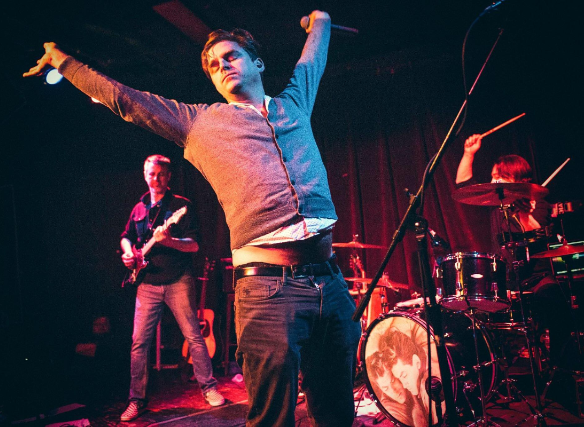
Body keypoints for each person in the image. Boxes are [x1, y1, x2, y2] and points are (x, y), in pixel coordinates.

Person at [24, 10, 361, 426]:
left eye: (231, 56)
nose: (223, 66)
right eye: (215, 66)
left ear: (257, 63)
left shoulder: (294, 104)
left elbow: (312, 60)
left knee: (337, 413)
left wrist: (321, 21)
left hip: (329, 280)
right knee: (273, 419)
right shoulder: (200, 122)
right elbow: (126, 100)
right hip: (269, 290)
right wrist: (64, 62)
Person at [118, 155, 224, 422]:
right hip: (147, 283)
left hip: (178, 280)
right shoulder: (139, 208)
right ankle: (136, 399)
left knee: (194, 336)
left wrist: (169, 241)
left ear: (169, 176)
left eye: (162, 174)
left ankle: (209, 388)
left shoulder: (181, 207)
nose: (156, 179)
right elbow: (126, 237)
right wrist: (129, 253)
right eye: (152, 174)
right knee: (139, 343)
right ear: (145, 175)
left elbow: (194, 245)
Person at [456, 134, 572, 369]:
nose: (493, 181)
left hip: (537, 278)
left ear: (518, 180)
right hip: (505, 280)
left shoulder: (538, 202)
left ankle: (560, 369)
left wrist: (524, 212)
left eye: (500, 177)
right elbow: (463, 186)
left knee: (557, 304)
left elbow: (533, 229)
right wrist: (469, 153)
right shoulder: (494, 205)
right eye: (493, 176)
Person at [379, 327, 440, 426]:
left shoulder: (431, 382)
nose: (404, 385)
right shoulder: (417, 370)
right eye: (399, 379)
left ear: (416, 362)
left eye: (404, 375)